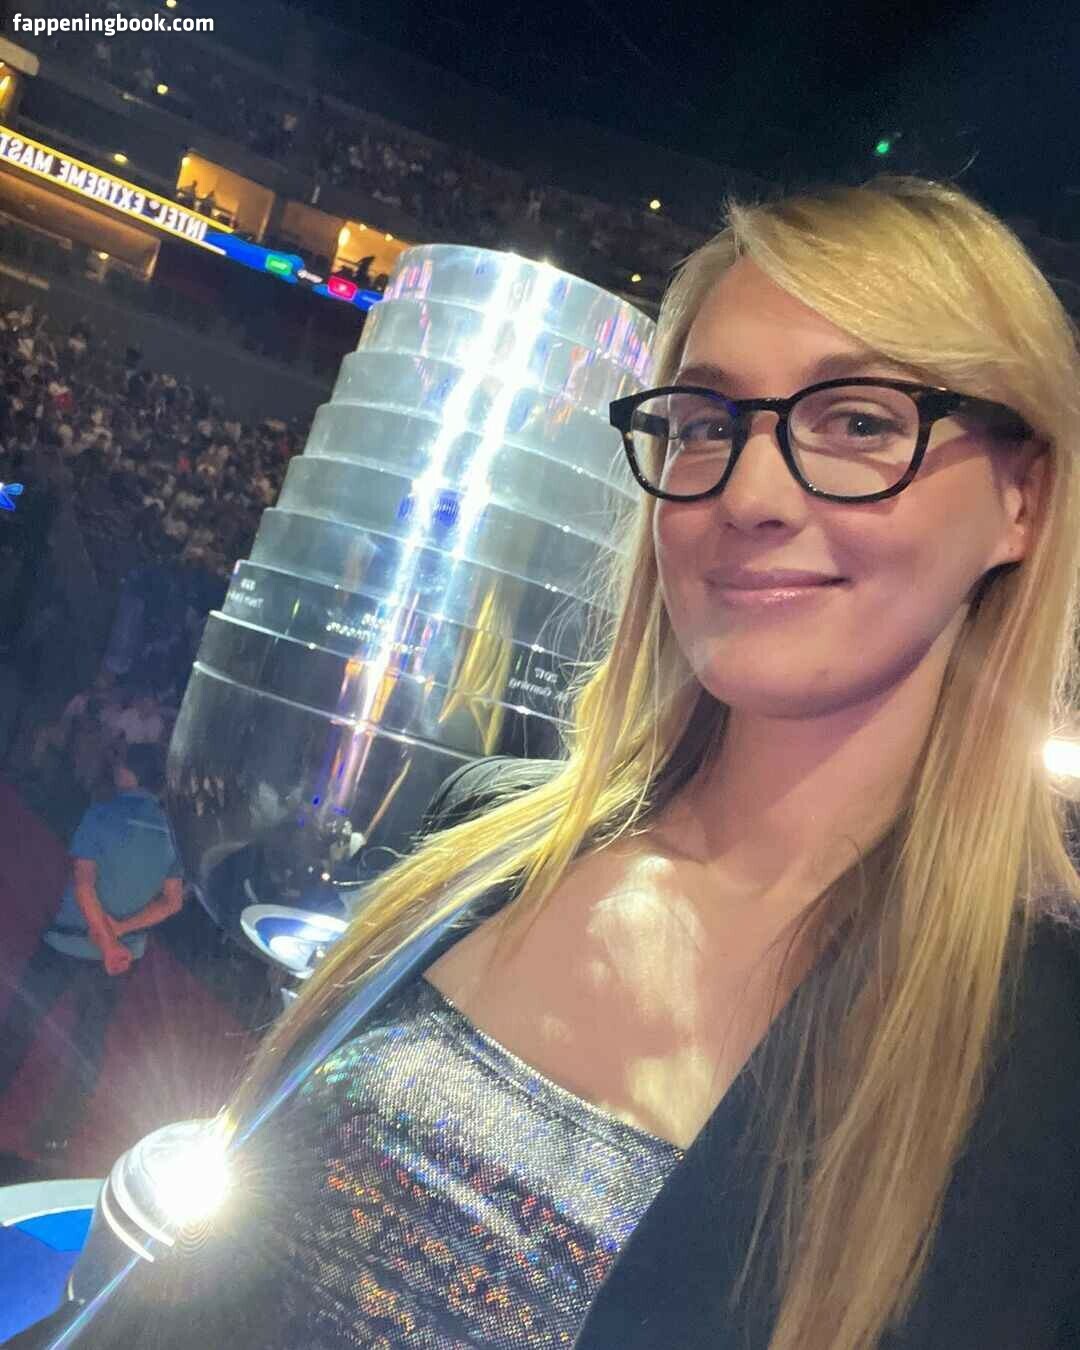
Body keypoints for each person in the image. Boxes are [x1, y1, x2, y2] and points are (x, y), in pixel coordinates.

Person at [29, 175, 1080, 1348]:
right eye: (705, 423)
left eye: (861, 423)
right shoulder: (485, 836)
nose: (749, 493)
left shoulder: (1044, 1078)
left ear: (1023, 499)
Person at [0, 742, 183, 1155]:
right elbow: (172, 902)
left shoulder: (102, 814)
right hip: (121, 957)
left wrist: (103, 938)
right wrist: (119, 934)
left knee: (22, 1020)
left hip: (70, 941)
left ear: (129, 773)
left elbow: (84, 886)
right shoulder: (169, 832)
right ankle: (57, 1134)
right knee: (89, 1039)